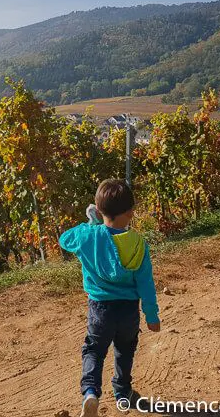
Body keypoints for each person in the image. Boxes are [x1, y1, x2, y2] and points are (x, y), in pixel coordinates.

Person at [59, 179, 160, 417]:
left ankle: (91, 392)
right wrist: (152, 315)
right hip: (128, 310)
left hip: (100, 309)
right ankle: (123, 393)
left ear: (99, 209)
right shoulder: (137, 244)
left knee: (94, 350)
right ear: (130, 213)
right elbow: (146, 283)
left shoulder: (88, 237)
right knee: (125, 350)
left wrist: (90, 222)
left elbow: (65, 239)